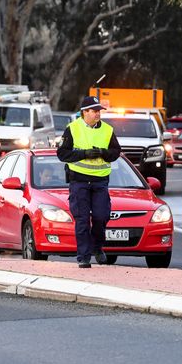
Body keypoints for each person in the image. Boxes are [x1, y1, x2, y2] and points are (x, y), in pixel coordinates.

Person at [57, 96, 121, 268]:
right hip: (79, 181)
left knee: (101, 217)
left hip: (100, 181)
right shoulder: (72, 128)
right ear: (85, 112)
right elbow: (62, 154)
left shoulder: (107, 130)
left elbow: (116, 152)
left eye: (99, 110)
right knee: (82, 220)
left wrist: (102, 152)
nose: (98, 114)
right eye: (94, 111)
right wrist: (84, 154)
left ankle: (97, 248)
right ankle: (83, 257)